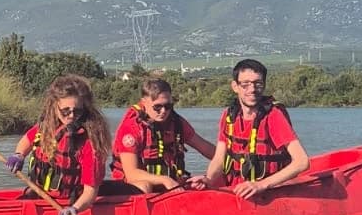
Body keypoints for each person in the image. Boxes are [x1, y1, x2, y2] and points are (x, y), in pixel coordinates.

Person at [6, 74, 109, 215]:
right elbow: (27, 140)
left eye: (77, 111)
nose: (71, 116)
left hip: (69, 203)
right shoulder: (48, 127)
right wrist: (19, 155)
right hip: (38, 198)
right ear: (54, 106)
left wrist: (75, 209)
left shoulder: (90, 144)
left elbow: (90, 193)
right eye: (65, 110)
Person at [205, 57, 311, 200]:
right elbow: (219, 159)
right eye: (246, 84)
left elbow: (302, 161)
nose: (252, 89)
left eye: (258, 84)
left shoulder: (273, 116)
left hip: (268, 195)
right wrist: (207, 180)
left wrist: (261, 185)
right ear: (235, 86)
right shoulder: (229, 116)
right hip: (236, 193)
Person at [110, 75, 215, 192]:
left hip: (169, 182)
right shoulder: (131, 128)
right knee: (144, 186)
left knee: (208, 180)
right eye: (157, 107)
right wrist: (165, 180)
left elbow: (207, 149)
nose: (164, 111)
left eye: (168, 106)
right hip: (135, 187)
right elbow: (131, 174)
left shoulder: (176, 122)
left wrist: (214, 173)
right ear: (144, 102)